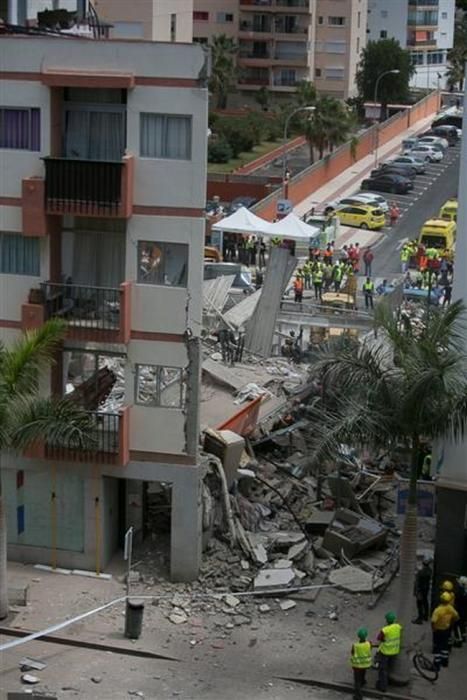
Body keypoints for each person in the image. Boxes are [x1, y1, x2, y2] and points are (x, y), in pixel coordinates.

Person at [432, 592, 459, 670]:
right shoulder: (450, 608)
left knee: (437, 646)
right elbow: (456, 616)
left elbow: (433, 621)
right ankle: (445, 661)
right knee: (445, 646)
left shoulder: (438, 610)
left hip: (438, 630)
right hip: (446, 629)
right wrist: (451, 623)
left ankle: (437, 664)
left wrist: (433, 629)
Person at [376, 611, 402, 692]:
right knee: (390, 667)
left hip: (385, 652)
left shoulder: (385, 630)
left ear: (387, 620)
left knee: (383, 669)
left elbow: (379, 638)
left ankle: (382, 686)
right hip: (395, 650)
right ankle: (388, 680)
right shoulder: (398, 626)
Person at [350, 628, 372, 700]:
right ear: (366, 636)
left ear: (358, 636)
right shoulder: (369, 643)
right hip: (365, 664)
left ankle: (358, 696)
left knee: (357, 681)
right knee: (363, 674)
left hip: (357, 665)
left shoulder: (355, 645)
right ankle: (363, 681)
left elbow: (352, 652)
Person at [413, 557, 432, 624]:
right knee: (425, 602)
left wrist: (416, 591)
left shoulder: (421, 572)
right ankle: (426, 616)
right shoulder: (430, 570)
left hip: (420, 590)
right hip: (426, 589)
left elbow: (417, 582)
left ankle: (419, 619)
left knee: (419, 604)